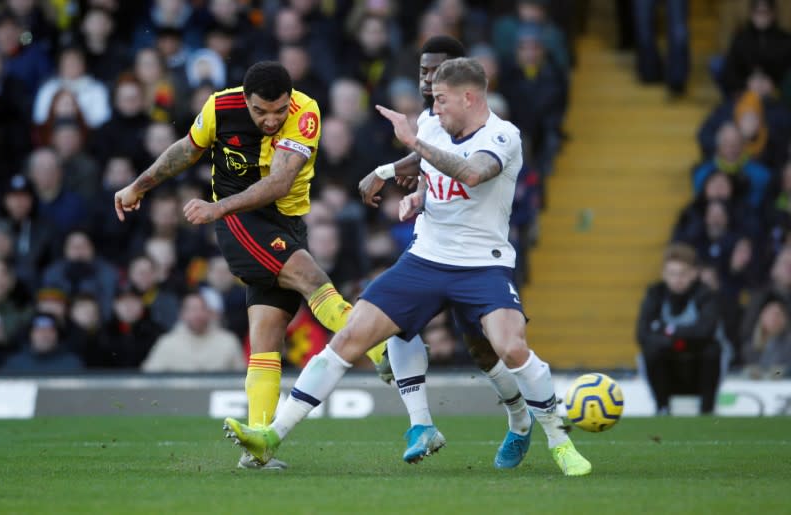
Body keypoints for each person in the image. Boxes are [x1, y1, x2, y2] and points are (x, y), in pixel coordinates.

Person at [224, 57, 592, 477]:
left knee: (509, 348)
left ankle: (557, 440)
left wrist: (412, 142)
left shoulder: (504, 136)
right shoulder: (434, 126)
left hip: (482, 265)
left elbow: (472, 173)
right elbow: (427, 164)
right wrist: (396, 179)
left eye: (441, 100)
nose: (434, 110)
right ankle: (272, 435)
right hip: (426, 259)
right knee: (350, 337)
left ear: (468, 97)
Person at [114, 61, 386, 470]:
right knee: (312, 279)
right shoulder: (219, 109)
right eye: (262, 112)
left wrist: (214, 207)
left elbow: (279, 183)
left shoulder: (305, 113)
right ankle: (382, 348)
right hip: (241, 221)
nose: (272, 119)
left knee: (267, 335)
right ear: (245, 100)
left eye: (279, 110)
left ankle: (258, 446)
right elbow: (187, 150)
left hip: (284, 223)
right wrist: (139, 185)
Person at [360, 35, 568, 470]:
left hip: (481, 253)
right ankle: (419, 418)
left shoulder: (492, 127)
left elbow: (466, 166)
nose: (425, 79)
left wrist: (395, 164)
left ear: (460, 81)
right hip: (432, 249)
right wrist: (417, 194)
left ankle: (520, 419)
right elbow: (431, 165)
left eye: (434, 73)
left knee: (485, 350)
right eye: (422, 72)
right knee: (399, 324)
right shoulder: (429, 120)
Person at [636, 243, 724, 415]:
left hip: (699, 368)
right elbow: (642, 335)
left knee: (712, 350)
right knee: (651, 351)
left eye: (683, 274)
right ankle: (662, 407)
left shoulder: (705, 294)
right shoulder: (655, 294)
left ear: (694, 273)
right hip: (668, 368)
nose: (677, 279)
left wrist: (667, 330)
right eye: (672, 274)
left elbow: (705, 332)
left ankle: (707, 409)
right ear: (664, 274)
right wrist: (682, 337)